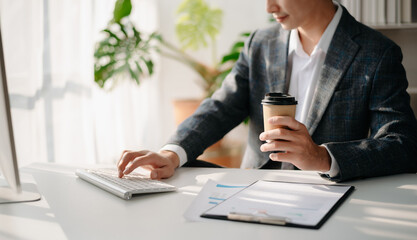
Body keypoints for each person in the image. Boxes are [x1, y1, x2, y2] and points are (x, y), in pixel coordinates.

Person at [118, 0, 417, 182]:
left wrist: (321, 157)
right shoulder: (260, 43)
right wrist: (171, 153)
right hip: (253, 195)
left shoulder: (376, 53)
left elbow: (402, 144)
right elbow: (220, 108)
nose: (268, 7)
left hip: (331, 202)